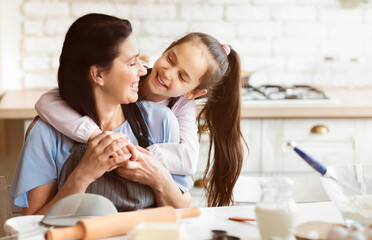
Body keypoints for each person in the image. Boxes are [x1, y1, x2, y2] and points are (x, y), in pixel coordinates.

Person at [9, 13, 192, 215]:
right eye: (132, 63)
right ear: (98, 74)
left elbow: (181, 211)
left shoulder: (162, 120)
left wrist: (159, 177)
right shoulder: (45, 134)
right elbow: (30, 227)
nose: (142, 70)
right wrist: (83, 174)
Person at [35, 31, 244, 206]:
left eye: (182, 77)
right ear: (168, 48)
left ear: (194, 93)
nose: (167, 73)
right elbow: (47, 102)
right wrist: (96, 135)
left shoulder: (175, 111)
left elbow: (188, 160)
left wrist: (138, 154)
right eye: (170, 59)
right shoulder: (133, 71)